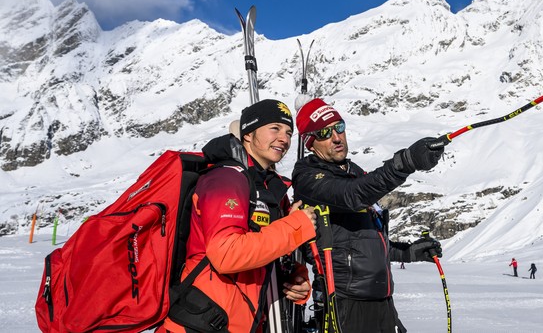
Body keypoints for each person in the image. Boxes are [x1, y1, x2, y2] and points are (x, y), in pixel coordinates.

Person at [160, 99, 317, 333]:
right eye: (274, 128)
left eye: (288, 132)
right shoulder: (225, 179)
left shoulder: (269, 190)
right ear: (248, 135)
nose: (284, 139)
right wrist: (296, 226)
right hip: (200, 323)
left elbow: (263, 252)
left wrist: (294, 279)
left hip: (239, 322)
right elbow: (226, 254)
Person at [292, 97, 445, 333]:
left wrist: (409, 252)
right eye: (324, 133)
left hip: (383, 301)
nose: (336, 137)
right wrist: (406, 162)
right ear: (311, 143)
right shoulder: (308, 177)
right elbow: (352, 196)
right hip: (344, 305)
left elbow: (364, 239)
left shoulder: (355, 172)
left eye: (339, 127)